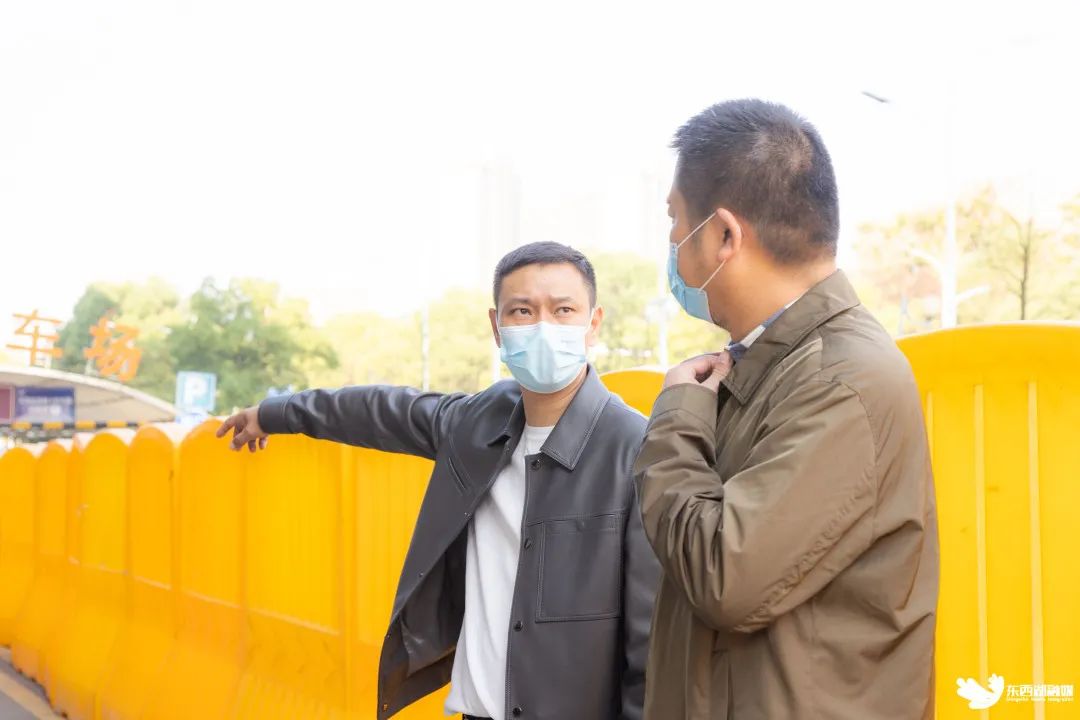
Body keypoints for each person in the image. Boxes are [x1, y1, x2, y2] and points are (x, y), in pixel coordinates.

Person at [218, 241, 660, 720]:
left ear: (593, 324)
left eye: (563, 310)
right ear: (497, 327)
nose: (542, 327)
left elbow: (652, 642)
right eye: (522, 311)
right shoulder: (476, 423)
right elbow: (377, 411)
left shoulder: (634, 448)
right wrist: (273, 413)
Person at [633, 99, 939, 719]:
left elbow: (723, 576)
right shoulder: (774, 362)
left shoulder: (841, 380)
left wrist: (676, 422)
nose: (670, 242)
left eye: (675, 221)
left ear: (724, 235)